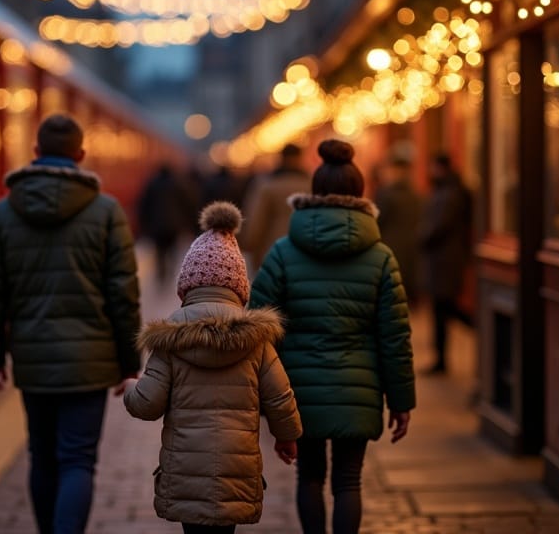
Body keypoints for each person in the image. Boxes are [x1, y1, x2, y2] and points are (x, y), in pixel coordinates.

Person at [0, 113, 142, 534]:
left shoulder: (5, 211)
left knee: (42, 456)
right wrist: (129, 361)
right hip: (91, 360)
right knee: (78, 459)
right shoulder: (106, 212)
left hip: (33, 358)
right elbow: (123, 292)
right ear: (81, 155)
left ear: (35, 153)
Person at [249, 139, 415, 534]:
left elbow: (259, 328)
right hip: (358, 388)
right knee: (348, 481)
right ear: (360, 192)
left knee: (309, 477)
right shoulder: (380, 256)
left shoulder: (282, 254)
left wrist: (264, 401)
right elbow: (395, 335)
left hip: (298, 389)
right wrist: (402, 400)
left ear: (313, 192)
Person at [124, 201, 303, 534]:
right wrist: (287, 437)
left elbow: (146, 405)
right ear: (239, 288)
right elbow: (280, 398)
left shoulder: (170, 340)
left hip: (185, 472)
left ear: (187, 286)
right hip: (237, 470)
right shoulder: (257, 340)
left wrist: (132, 386)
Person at [419, 151, 475, 374]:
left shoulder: (449, 194)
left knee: (444, 308)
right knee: (444, 308)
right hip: (445, 259)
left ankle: (442, 359)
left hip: (445, 260)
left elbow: (439, 226)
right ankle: (440, 358)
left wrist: (423, 236)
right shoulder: (449, 191)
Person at [241, 143, 311, 271]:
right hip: (304, 252)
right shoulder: (310, 186)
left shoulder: (267, 186)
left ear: (281, 158)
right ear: (300, 158)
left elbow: (256, 223)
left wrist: (249, 245)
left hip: (273, 252)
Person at [374, 148, 423, 305]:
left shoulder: (385, 194)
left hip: (389, 246)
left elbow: (377, 221)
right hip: (411, 247)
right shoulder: (415, 195)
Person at [138, 163, 194, 288]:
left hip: (157, 225)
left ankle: (161, 274)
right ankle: (170, 273)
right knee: (172, 250)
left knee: (160, 252)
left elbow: (144, 205)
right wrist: (187, 223)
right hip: (174, 225)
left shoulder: (152, 184)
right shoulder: (178, 184)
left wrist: (144, 223)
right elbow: (186, 203)